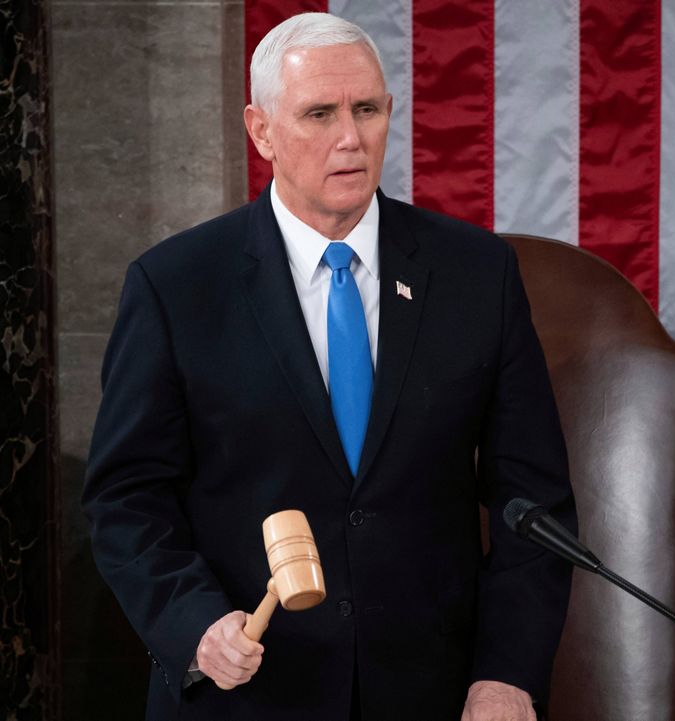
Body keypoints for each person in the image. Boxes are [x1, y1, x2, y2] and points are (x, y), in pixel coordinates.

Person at [82, 12, 576, 721]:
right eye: (319, 113)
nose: (351, 137)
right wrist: (196, 624)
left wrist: (507, 675)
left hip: (432, 694)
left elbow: (536, 504)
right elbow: (126, 500)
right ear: (261, 131)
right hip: (248, 694)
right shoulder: (177, 286)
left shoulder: (476, 274)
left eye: (367, 109)